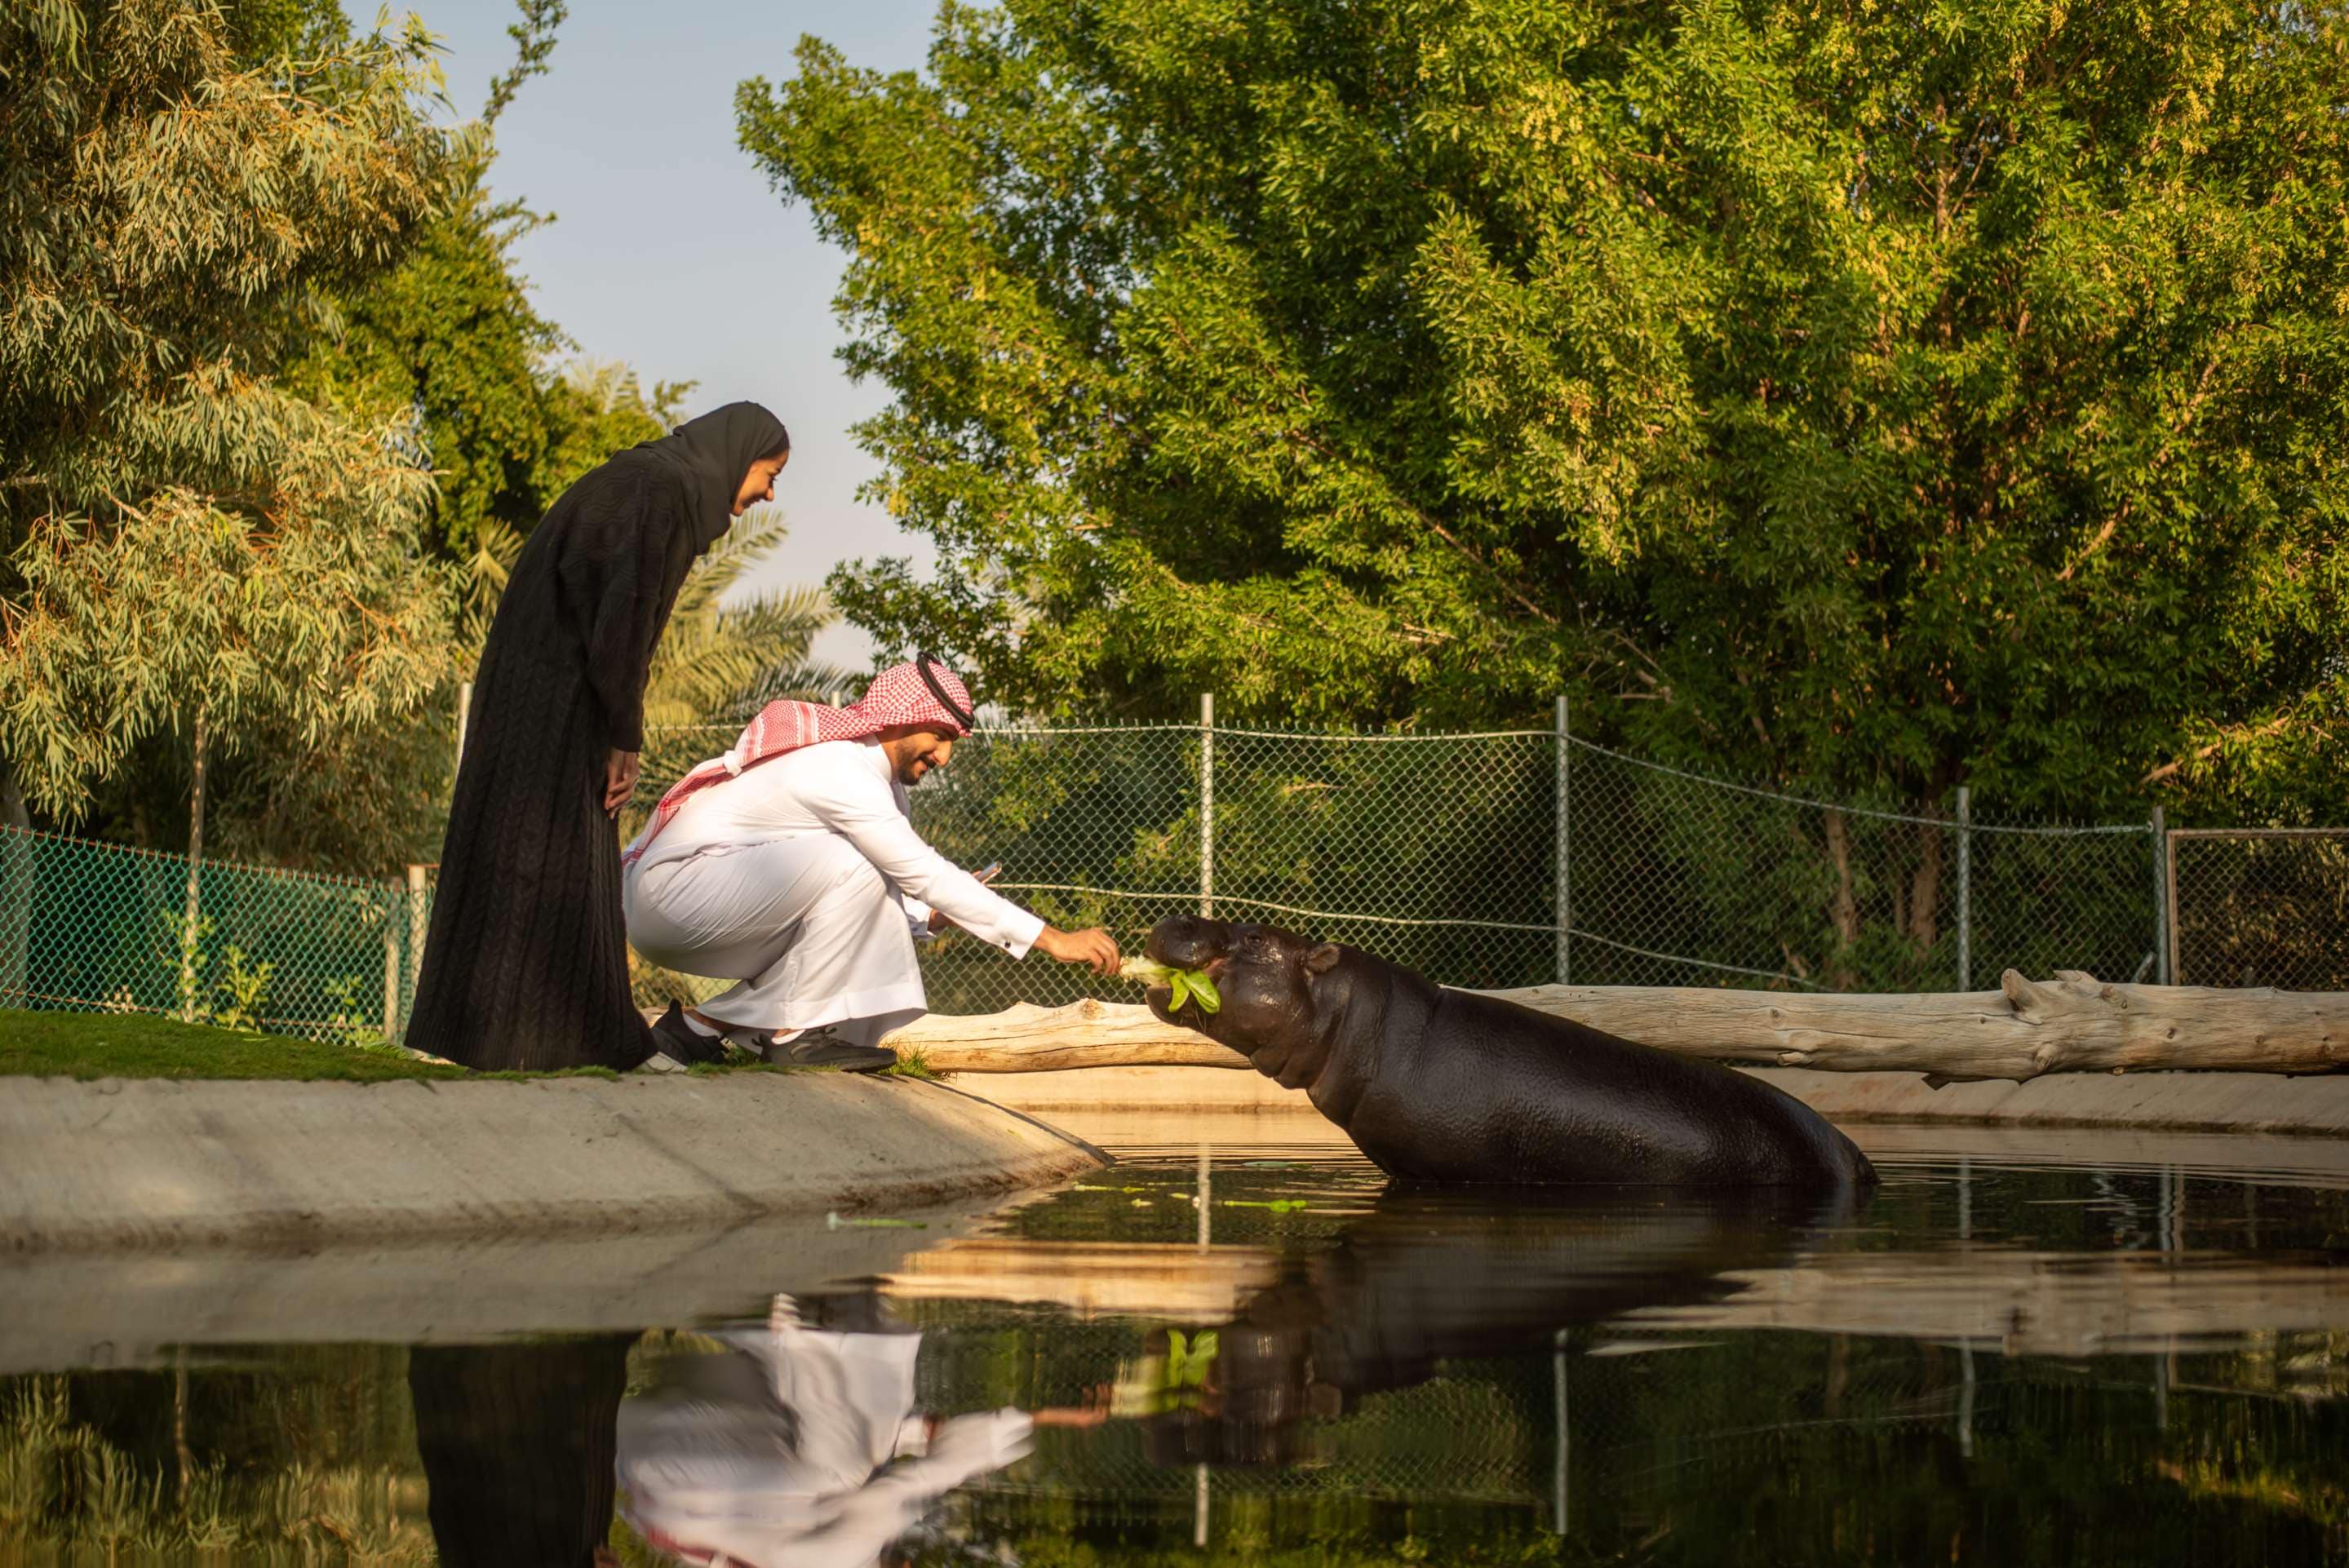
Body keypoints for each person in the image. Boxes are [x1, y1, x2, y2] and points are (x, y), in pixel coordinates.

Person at [406, 403, 793, 1071]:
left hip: (542, 688)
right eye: (770, 472)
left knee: (535, 856)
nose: (766, 492)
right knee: (554, 859)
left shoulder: (649, 481)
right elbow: (622, 623)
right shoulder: (658, 490)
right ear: (739, 454)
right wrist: (624, 737)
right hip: (559, 692)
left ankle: (512, 1041)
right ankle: (594, 1042)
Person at [621, 654, 1119, 1070]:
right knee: (865, 860)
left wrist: (932, 917)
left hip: (707, 901)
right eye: (939, 737)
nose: (944, 757)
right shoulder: (842, 767)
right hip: (672, 899)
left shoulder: (879, 784)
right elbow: (915, 871)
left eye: (952, 744)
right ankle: (793, 1037)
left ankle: (696, 1031)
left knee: (868, 876)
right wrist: (1051, 939)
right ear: (901, 718)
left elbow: (857, 902)